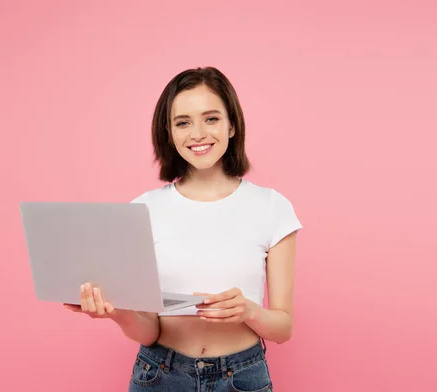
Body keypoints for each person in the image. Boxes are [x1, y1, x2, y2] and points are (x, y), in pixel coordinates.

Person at [64, 66, 303, 391]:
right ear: (169, 132)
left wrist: (249, 310)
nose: (198, 133)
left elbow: (283, 328)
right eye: (183, 122)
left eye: (211, 118)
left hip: (242, 377)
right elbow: (149, 331)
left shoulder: (272, 207)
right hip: (159, 374)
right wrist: (117, 312)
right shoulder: (142, 210)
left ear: (232, 125)